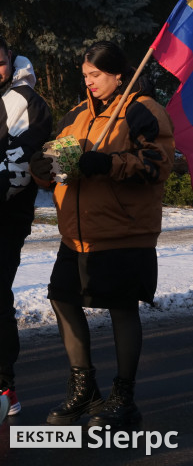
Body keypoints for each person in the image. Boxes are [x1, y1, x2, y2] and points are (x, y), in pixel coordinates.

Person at [28, 40, 174, 429]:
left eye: (95, 75)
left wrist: (106, 164)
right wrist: (42, 168)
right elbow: (56, 161)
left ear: (118, 75)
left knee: (121, 308)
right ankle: (84, 390)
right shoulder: (77, 114)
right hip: (77, 233)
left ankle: (123, 398)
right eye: (85, 76)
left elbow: (157, 165)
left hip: (124, 230)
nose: (89, 82)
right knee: (61, 298)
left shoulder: (144, 110)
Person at [0, 37, 53, 416]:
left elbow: (16, 168)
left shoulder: (26, 101)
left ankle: (4, 387)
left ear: (10, 59)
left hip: (5, 219)